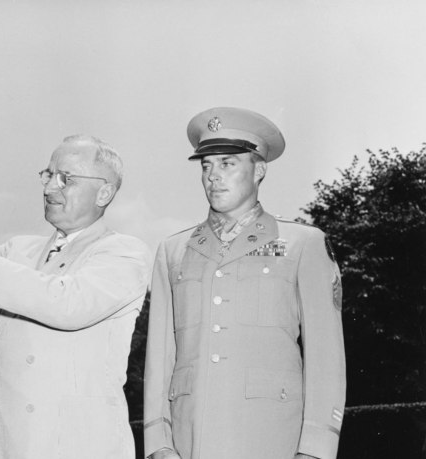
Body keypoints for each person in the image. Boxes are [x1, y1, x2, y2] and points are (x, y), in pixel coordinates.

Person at [0, 135, 152, 458]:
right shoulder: (18, 250)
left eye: (65, 179)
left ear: (104, 192)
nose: (49, 188)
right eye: (48, 175)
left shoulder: (124, 254)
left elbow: (66, 303)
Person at [143, 107, 346, 459]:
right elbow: (160, 357)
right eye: (206, 166)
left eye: (227, 163)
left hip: (271, 440)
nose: (213, 177)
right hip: (189, 442)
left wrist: (316, 448)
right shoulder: (173, 251)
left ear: (259, 170)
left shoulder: (302, 244)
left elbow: (326, 357)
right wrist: (158, 442)